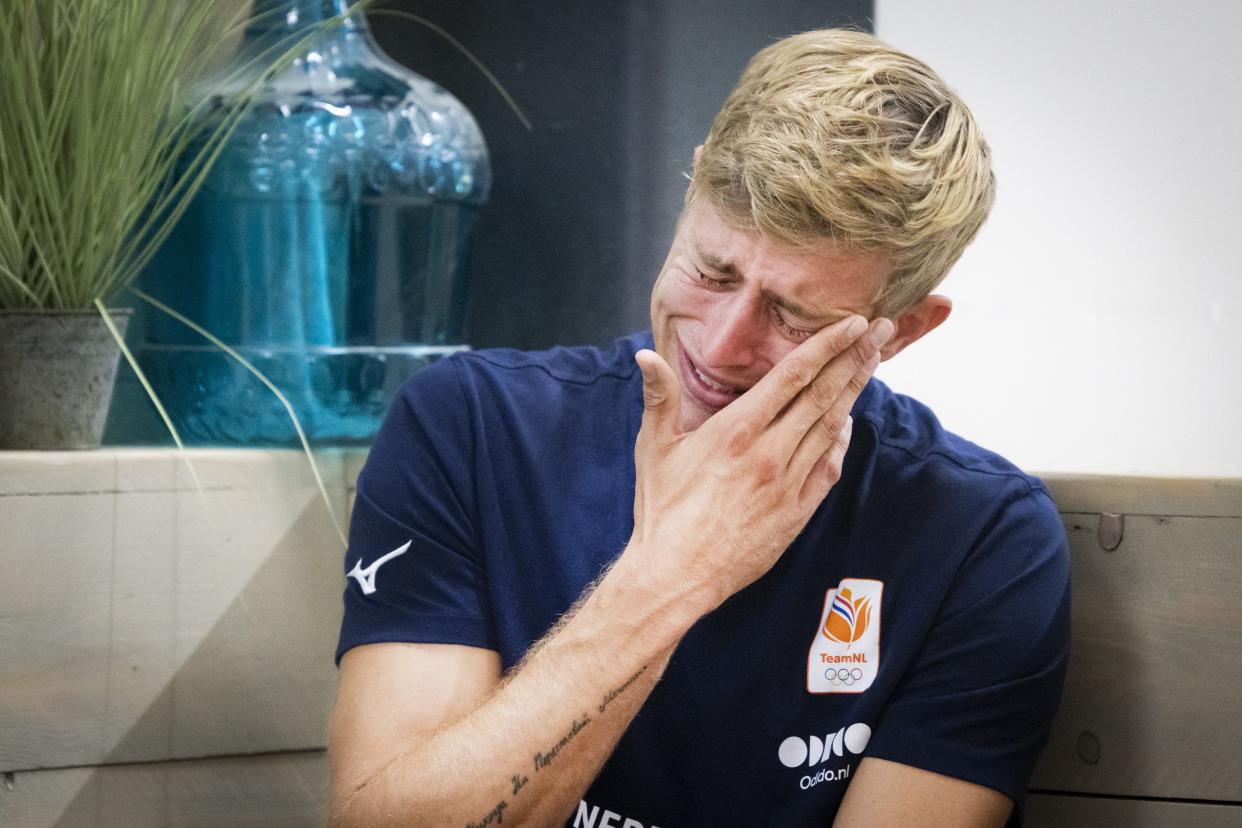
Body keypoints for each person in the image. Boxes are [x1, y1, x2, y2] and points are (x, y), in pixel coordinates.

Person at [327, 28, 1070, 827]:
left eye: (795, 317)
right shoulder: (471, 426)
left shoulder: (979, 537)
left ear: (905, 330)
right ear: (687, 202)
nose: (719, 345)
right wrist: (674, 570)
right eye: (711, 272)